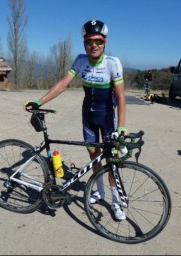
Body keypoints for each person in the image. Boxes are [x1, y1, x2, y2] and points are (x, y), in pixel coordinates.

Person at [24, 19, 128, 220]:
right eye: (89, 42)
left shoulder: (112, 63)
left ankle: (116, 203)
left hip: (107, 119)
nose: (94, 45)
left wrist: (122, 126)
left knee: (111, 161)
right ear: (84, 44)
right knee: (93, 156)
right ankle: (99, 192)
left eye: (98, 41)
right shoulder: (81, 61)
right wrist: (39, 101)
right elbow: (63, 84)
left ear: (104, 42)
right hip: (88, 118)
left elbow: (122, 97)